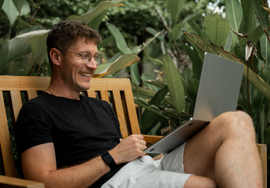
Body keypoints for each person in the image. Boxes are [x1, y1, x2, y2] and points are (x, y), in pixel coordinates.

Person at [15, 20, 263, 188]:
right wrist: (111, 157)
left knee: (236, 120)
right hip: (115, 181)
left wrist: (149, 154)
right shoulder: (37, 111)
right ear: (56, 56)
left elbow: (125, 155)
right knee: (211, 185)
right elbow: (43, 182)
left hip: (145, 166)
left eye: (95, 57)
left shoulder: (100, 107)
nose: (93, 65)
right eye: (84, 56)